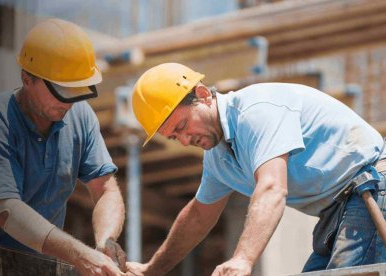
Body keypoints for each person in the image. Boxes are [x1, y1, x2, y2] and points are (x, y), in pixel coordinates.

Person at [127, 62, 386, 275]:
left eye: (182, 127)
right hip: (339, 208)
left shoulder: (255, 112)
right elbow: (198, 216)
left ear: (203, 95)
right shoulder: (218, 158)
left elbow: (272, 188)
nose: (184, 141)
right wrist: (152, 270)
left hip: (372, 185)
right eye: (174, 137)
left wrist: (242, 258)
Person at [0, 18, 126, 275]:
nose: (69, 102)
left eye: (77, 89)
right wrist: (81, 255)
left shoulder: (81, 116)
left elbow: (106, 190)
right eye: (61, 90)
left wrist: (105, 242)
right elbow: (7, 212)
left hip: (39, 267)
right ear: (27, 78)